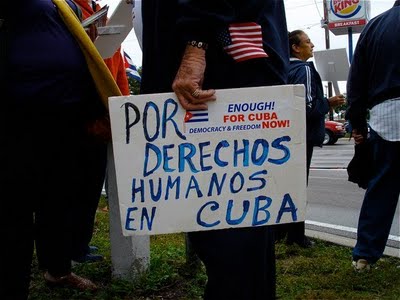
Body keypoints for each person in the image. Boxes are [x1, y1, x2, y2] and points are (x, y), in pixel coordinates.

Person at [140, 1, 289, 299]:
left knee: (233, 241)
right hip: (217, 68)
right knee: (236, 237)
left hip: (219, 70)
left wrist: (197, 43)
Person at [0, 0, 121, 298]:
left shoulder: (64, 3)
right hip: (19, 118)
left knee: (59, 200)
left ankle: (58, 269)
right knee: (15, 206)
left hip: (67, 115)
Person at [65, 0, 130, 264]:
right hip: (80, 108)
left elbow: (119, 66)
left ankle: (79, 243)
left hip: (105, 105)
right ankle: (66, 247)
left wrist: (122, 102)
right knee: (73, 184)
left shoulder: (101, 13)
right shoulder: (66, 10)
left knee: (91, 183)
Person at [277, 30, 345, 248]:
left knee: (283, 185)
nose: (312, 45)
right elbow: (306, 106)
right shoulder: (304, 68)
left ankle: (280, 232)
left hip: (283, 136)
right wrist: (328, 103)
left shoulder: (281, 68)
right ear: (296, 48)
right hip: (301, 137)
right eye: (307, 42)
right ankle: (296, 236)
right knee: (297, 187)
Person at [346, 0, 400, 272]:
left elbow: (357, 79)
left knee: (381, 188)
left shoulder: (374, 26)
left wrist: (356, 122)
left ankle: (364, 256)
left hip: (387, 113)